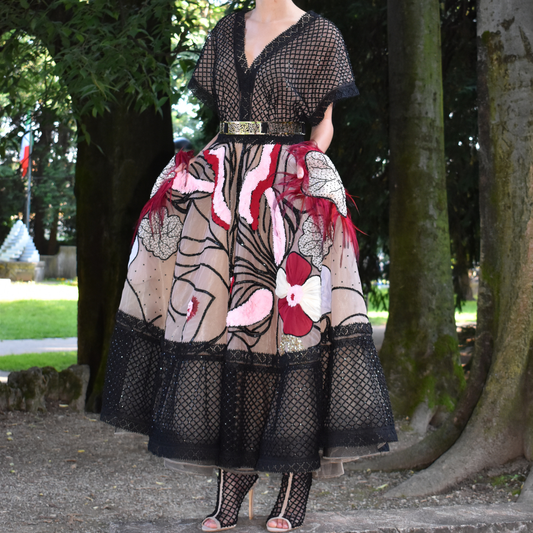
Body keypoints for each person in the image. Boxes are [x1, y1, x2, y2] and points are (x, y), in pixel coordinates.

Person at [100, 0, 397, 531]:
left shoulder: (321, 35)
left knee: (291, 332)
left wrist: (307, 173)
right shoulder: (225, 29)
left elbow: (324, 125)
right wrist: (192, 172)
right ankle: (233, 476)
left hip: (286, 190)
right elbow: (224, 124)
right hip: (227, 189)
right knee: (222, 327)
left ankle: (296, 479)